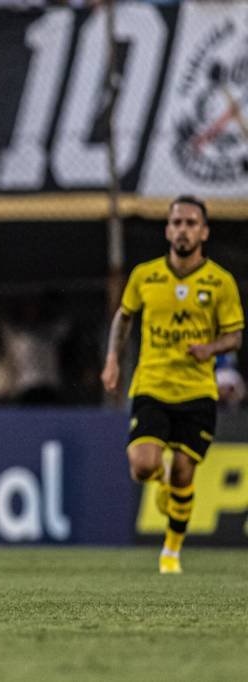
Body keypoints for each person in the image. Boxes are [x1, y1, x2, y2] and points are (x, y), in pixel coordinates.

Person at [101, 195, 243, 575]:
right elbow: (124, 318)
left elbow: (234, 337)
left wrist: (209, 348)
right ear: (167, 229)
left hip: (197, 392)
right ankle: (159, 481)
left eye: (191, 223)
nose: (183, 229)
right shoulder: (145, 276)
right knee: (143, 467)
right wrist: (113, 360)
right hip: (152, 385)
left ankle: (171, 552)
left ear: (204, 231)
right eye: (177, 222)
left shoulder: (220, 282)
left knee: (183, 473)